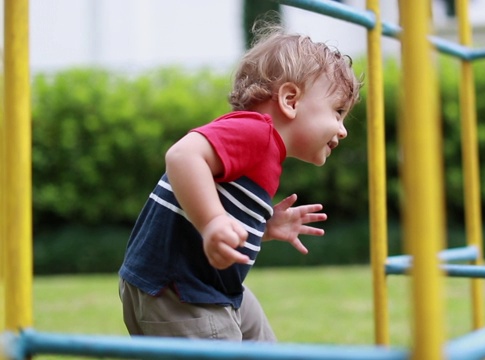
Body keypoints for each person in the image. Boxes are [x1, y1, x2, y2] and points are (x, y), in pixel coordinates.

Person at [118, 26, 361, 342]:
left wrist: (266, 224)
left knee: (260, 338)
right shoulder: (256, 132)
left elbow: (221, 193)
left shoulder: (264, 148)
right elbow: (182, 156)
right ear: (290, 100)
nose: (342, 130)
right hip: (180, 291)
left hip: (204, 285)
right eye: (338, 112)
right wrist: (213, 223)